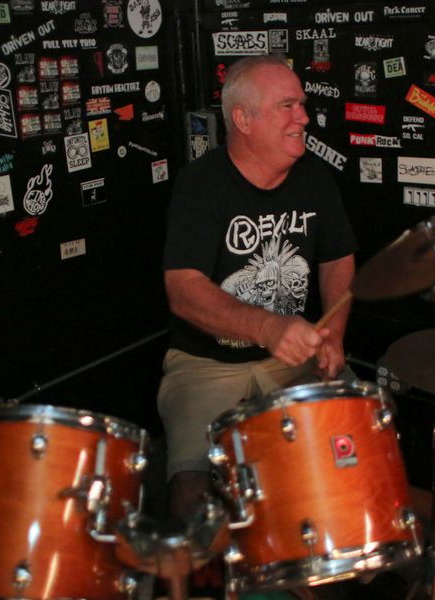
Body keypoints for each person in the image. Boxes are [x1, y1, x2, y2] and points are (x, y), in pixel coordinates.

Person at [157, 55, 357, 518]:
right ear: (243, 120)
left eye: (302, 105)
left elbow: (337, 258)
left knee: (352, 449)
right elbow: (183, 289)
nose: (303, 118)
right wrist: (267, 327)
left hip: (294, 354)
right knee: (192, 490)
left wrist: (333, 332)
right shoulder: (200, 184)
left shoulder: (315, 177)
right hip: (205, 362)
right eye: (288, 106)